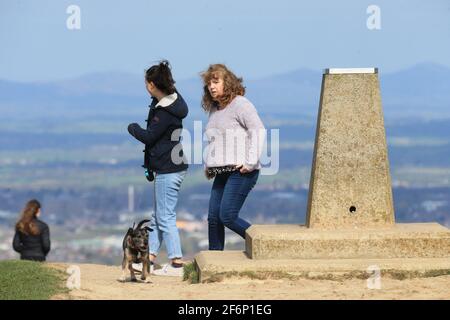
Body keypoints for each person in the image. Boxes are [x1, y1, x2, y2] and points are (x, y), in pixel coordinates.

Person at [127, 60, 189, 276]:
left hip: (167, 168)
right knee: (158, 216)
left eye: (147, 83)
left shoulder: (164, 113)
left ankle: (176, 263)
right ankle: (150, 259)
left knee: (165, 217)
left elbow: (150, 137)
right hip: (172, 166)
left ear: (152, 85)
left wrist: (132, 128)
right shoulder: (174, 101)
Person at [201, 64, 266, 250]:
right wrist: (210, 165)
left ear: (227, 82)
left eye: (216, 82)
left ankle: (264, 245)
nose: (211, 87)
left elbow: (258, 130)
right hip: (222, 171)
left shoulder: (240, 104)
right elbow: (217, 140)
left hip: (242, 171)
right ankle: (214, 263)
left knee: (227, 216)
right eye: (209, 84)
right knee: (213, 219)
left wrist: (250, 162)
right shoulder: (215, 109)